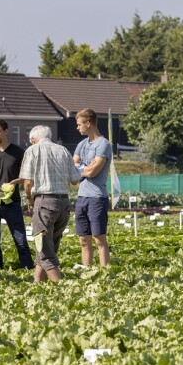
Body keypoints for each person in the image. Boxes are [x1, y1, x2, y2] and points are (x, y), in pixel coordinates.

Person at [20, 125, 81, 282]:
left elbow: (27, 182)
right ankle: (37, 283)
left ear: (33, 140)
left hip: (44, 202)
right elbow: (75, 180)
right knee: (49, 246)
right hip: (64, 204)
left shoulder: (33, 151)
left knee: (45, 249)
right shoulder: (63, 151)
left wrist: (29, 199)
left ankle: (58, 287)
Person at [0, 118, 34, 269]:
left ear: (6, 131)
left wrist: (14, 183)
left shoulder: (18, 153)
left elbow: (27, 177)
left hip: (12, 203)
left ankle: (28, 269)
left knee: (21, 240)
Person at [72, 109, 112, 267]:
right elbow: (71, 169)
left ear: (88, 124)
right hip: (81, 198)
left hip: (97, 198)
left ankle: (104, 272)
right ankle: (87, 270)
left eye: (79, 124)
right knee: (83, 239)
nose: (77, 128)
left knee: (99, 238)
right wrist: (84, 168)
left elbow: (93, 171)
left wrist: (80, 168)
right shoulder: (81, 144)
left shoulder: (104, 144)